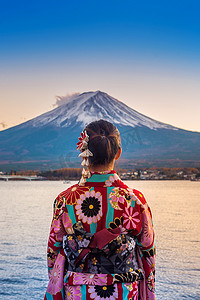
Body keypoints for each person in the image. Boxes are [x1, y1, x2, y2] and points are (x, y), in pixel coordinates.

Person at [44, 119, 156, 300]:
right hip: (124, 291)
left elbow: (53, 251)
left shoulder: (65, 200)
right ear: (118, 153)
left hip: (77, 290)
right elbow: (148, 253)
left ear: (83, 153)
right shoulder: (135, 200)